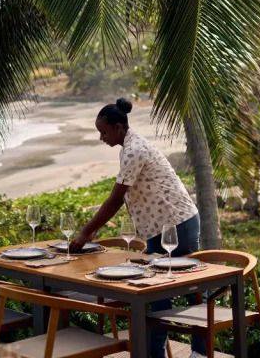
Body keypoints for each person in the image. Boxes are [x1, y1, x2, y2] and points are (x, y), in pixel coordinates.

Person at [70, 97, 206, 358]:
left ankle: (200, 352)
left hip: (179, 223)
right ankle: (156, 354)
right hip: (159, 228)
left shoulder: (134, 150)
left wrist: (87, 231)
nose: (102, 138)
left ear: (120, 127)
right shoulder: (127, 146)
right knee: (155, 294)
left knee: (190, 290)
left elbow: (116, 198)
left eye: (104, 131)